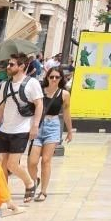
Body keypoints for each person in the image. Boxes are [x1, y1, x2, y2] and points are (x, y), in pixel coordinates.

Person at [0, 56, 42, 202]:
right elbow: (1, 107)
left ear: (22, 66)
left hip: (21, 129)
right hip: (5, 129)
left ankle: (30, 183)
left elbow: (39, 104)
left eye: (11, 64)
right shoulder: (5, 84)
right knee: (2, 163)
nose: (8, 67)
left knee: (12, 164)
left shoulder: (32, 83)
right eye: (7, 64)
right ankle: (4, 194)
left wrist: (35, 125)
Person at [26, 67, 72, 201]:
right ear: (47, 77)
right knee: (32, 162)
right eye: (51, 77)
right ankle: (35, 180)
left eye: (57, 77)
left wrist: (69, 130)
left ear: (61, 79)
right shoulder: (40, 91)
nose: (53, 79)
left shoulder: (64, 94)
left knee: (46, 160)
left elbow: (67, 113)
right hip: (37, 126)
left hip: (52, 126)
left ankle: (43, 191)